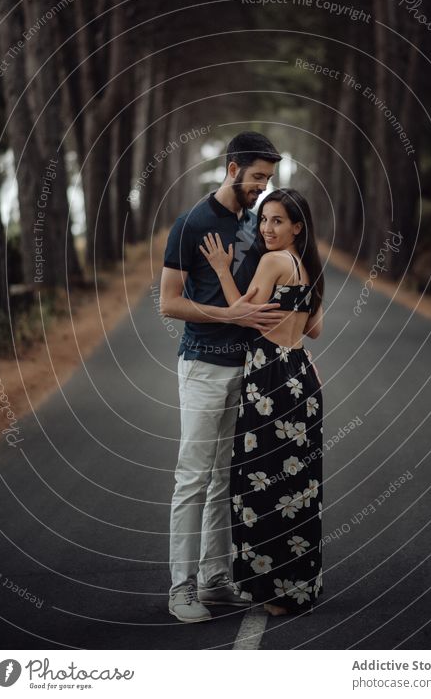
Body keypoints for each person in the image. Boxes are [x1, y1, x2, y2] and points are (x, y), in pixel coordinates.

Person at [160, 132, 283, 623]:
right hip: (203, 365)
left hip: (247, 370)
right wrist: (230, 317)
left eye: (268, 180)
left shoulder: (253, 223)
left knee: (223, 480)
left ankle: (214, 580)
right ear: (233, 169)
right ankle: (181, 588)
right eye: (257, 178)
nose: (262, 187)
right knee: (192, 477)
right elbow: (169, 302)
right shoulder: (191, 223)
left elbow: (252, 298)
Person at [199, 188, 324, 616]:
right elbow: (315, 331)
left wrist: (220, 268)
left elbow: (239, 310)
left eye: (277, 221)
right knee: (296, 485)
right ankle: (297, 587)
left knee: (261, 480)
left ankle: (271, 591)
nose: (268, 229)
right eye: (264, 220)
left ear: (296, 227)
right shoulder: (307, 266)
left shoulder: (274, 262)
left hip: (269, 380)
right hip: (300, 378)